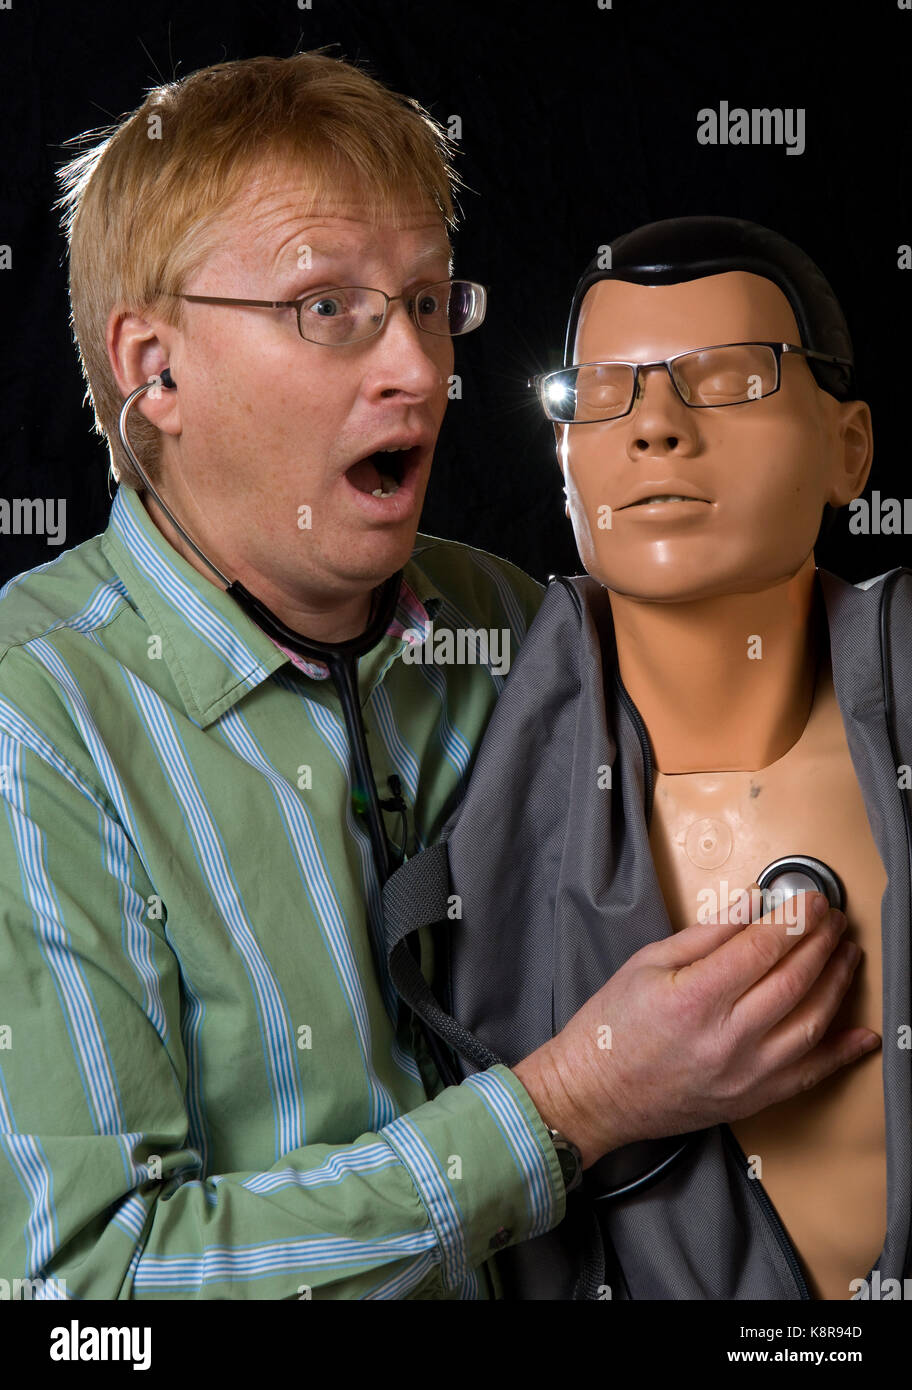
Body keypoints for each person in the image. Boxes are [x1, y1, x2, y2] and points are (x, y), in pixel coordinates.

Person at [0, 55, 873, 1301]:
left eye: (424, 302)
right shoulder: (32, 719)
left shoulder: (516, 624)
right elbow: (82, 1296)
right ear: (156, 369)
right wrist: (572, 1104)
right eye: (327, 309)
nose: (417, 368)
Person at [430, 215, 906, 1300]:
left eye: (730, 375)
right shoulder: (456, 755)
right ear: (562, 461)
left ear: (850, 448)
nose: (655, 428)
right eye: (602, 390)